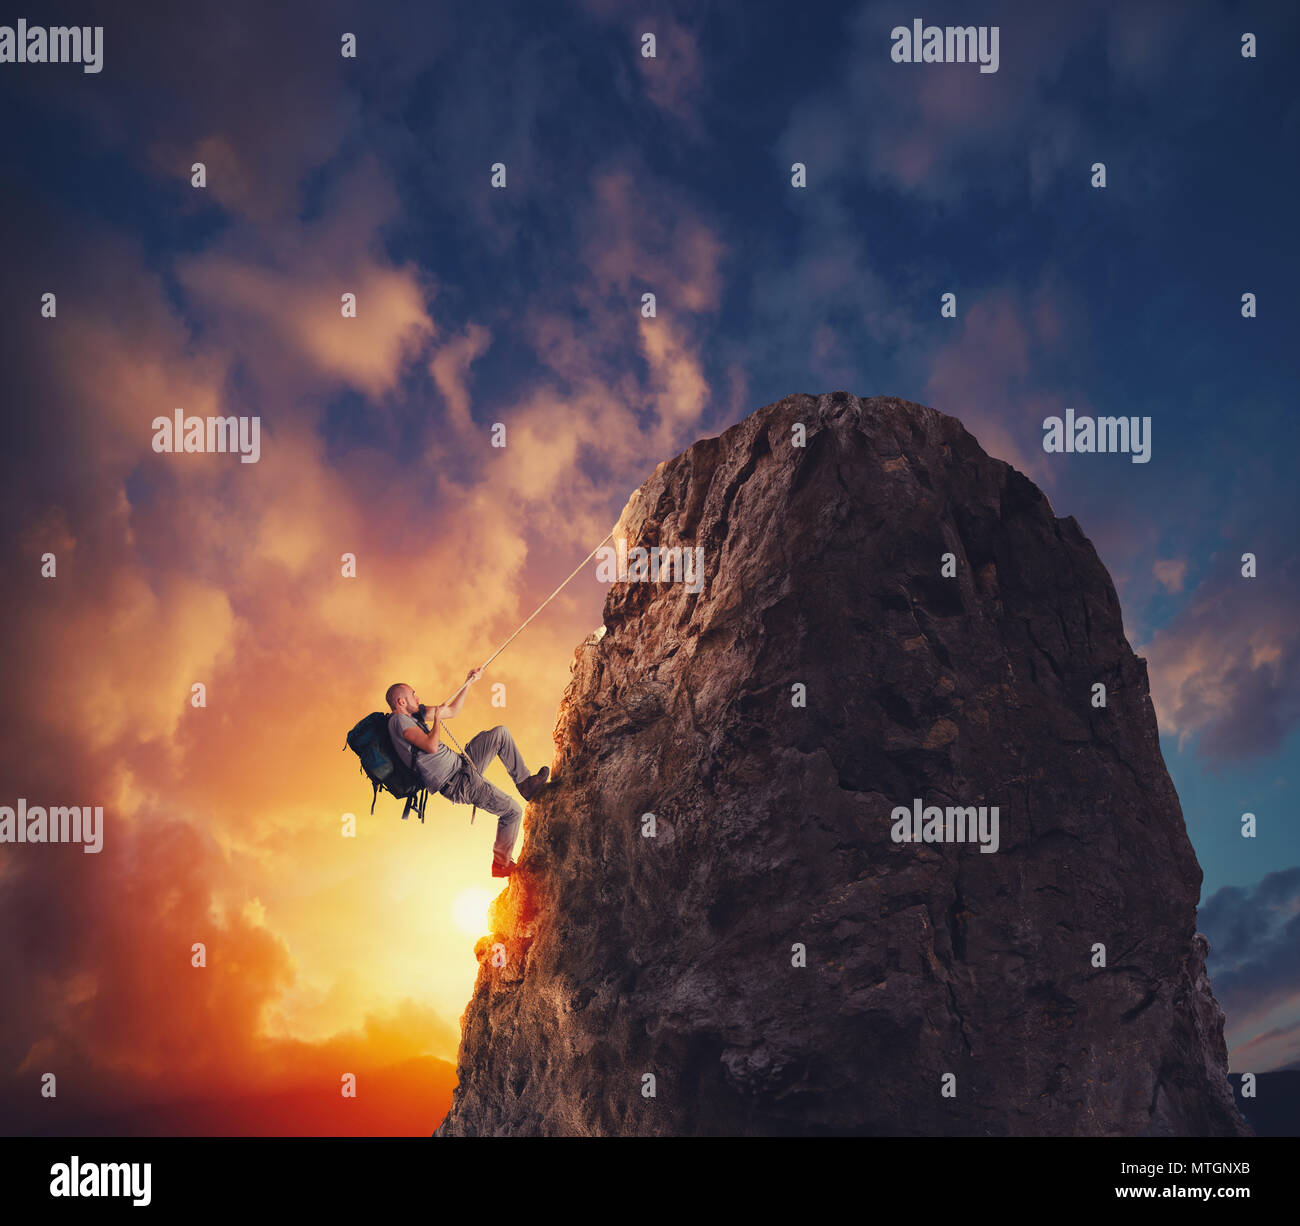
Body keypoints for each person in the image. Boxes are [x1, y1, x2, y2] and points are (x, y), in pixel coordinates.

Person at [385, 670, 548, 877]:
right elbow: (431, 746)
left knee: (500, 734)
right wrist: (436, 720)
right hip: (457, 782)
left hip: (462, 765)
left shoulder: (415, 714)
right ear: (400, 701)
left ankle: (525, 783)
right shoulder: (398, 722)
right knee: (512, 811)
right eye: (413, 694)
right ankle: (500, 864)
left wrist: (468, 683)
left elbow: (452, 712)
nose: (417, 697)